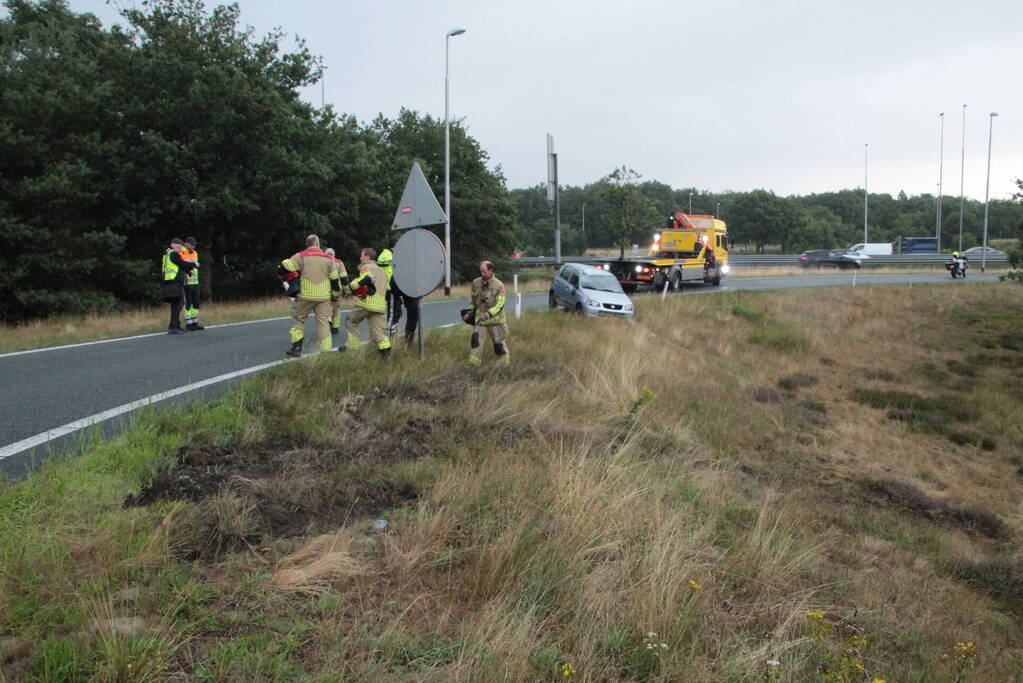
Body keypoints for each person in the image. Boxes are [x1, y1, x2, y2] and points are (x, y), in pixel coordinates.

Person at [279, 234, 341, 357]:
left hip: (305, 295)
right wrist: (334, 295)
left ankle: (296, 349)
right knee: (323, 322)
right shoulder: (328, 258)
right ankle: (326, 350)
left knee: (299, 320)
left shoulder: (300, 256)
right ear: (318, 244)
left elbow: (283, 269)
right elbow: (334, 280)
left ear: (307, 245)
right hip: (323, 296)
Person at [344, 247, 392, 358]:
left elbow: (364, 279)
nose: (360, 257)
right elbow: (387, 287)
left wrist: (349, 287)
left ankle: (352, 347)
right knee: (377, 331)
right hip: (379, 306)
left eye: (361, 255)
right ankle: (385, 352)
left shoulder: (366, 267)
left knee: (351, 321)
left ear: (367, 256)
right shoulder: (382, 271)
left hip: (366, 303)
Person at [462, 260, 510, 366]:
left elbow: (500, 304)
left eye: (484, 272)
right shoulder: (475, 283)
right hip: (480, 320)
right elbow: (473, 302)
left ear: (490, 270)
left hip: (495, 321)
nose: (482, 274)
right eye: (481, 272)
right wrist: (469, 313)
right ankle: (473, 365)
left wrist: (488, 314)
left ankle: (503, 364)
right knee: (476, 343)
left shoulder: (499, 285)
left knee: (499, 344)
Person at [161, 238, 196, 335]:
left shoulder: (168, 254)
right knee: (178, 304)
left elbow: (179, 266)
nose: (181, 250)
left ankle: (176, 325)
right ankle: (173, 326)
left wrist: (188, 271)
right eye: (180, 247)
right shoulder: (173, 253)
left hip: (171, 283)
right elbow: (182, 263)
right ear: (175, 245)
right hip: (174, 283)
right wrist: (193, 264)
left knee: (177, 304)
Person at [179, 237, 204, 330]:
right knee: (188, 303)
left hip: (195, 281)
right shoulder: (181, 252)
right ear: (186, 244)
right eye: (191, 244)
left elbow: (196, 265)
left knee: (196, 303)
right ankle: (188, 324)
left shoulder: (195, 253)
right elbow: (182, 265)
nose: (193, 246)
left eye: (194, 245)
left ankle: (195, 323)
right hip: (187, 282)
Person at [325, 247, 347, 335]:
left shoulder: (322, 262)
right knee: (336, 309)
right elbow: (344, 277)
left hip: (325, 289)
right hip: (337, 289)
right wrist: (346, 289)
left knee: (326, 306)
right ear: (334, 255)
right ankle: (335, 327)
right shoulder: (339, 262)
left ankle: (328, 320)